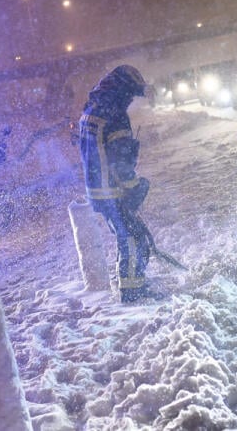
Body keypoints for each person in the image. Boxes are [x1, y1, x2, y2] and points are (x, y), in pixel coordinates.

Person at [78, 64, 160, 303]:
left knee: (127, 236)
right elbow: (120, 159)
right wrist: (134, 185)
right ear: (123, 90)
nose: (131, 100)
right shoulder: (115, 115)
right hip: (114, 191)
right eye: (131, 94)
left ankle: (131, 283)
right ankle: (133, 291)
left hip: (98, 191)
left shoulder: (91, 110)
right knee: (133, 239)